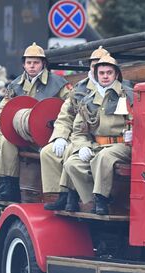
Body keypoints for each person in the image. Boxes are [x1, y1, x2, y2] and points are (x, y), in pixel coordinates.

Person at [0, 42, 70, 202]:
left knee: (8, 141)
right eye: (29, 62)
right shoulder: (15, 84)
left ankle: (11, 185)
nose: (32, 66)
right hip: (16, 130)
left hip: (44, 134)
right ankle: (0, 182)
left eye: (36, 62)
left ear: (43, 64)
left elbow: (70, 107)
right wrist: (7, 126)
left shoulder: (59, 83)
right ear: (23, 64)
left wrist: (60, 133)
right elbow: (3, 109)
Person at [41, 46, 110, 211]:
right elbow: (65, 115)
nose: (97, 69)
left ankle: (71, 195)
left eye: (101, 65)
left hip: (93, 138)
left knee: (70, 152)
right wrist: (60, 136)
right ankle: (59, 194)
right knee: (48, 152)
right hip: (77, 135)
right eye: (94, 65)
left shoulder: (114, 87)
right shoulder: (80, 88)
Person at [64, 56, 133, 215]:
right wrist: (82, 146)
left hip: (123, 145)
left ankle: (102, 198)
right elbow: (79, 131)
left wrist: (135, 134)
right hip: (97, 145)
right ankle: (92, 201)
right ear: (96, 75)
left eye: (109, 72)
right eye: (101, 73)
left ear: (116, 74)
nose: (105, 76)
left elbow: (141, 120)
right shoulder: (88, 99)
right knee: (72, 164)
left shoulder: (127, 94)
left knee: (103, 157)